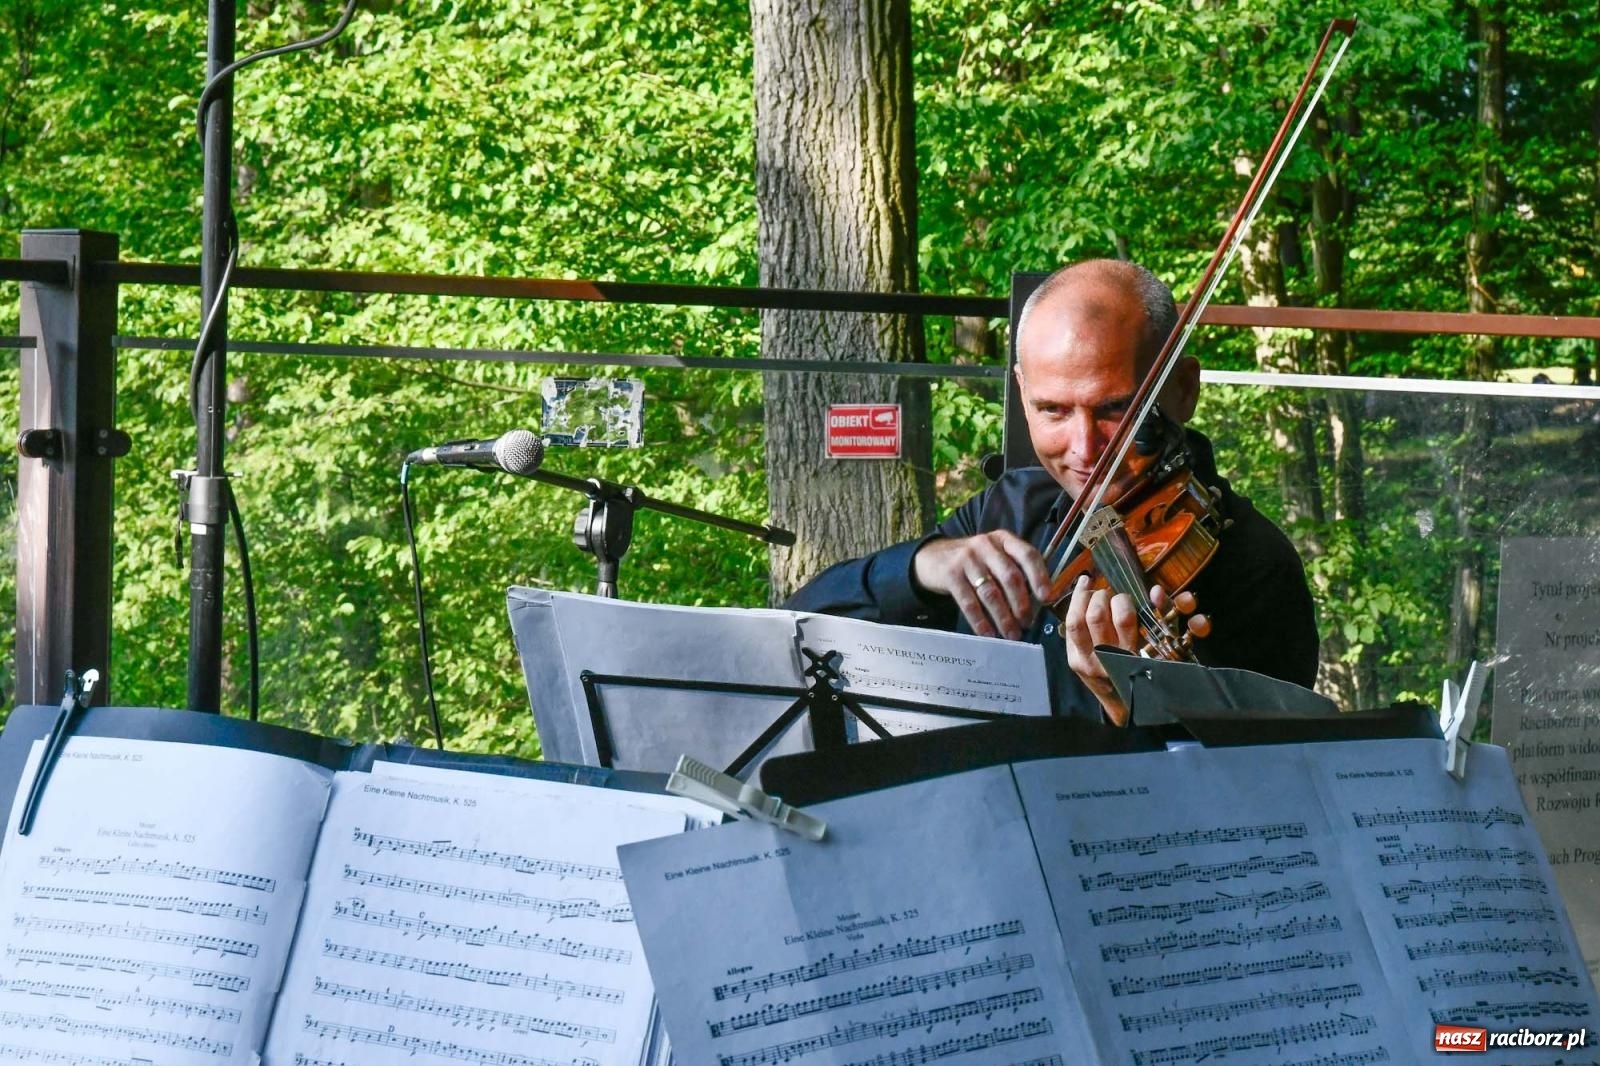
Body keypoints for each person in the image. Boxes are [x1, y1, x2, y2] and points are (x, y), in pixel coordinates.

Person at [785, 259, 1319, 723]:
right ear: (1022, 391)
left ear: (1182, 389)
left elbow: (1252, 792)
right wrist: (924, 566)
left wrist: (1125, 708)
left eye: (1116, 410)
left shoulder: (1255, 566)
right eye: (1053, 410)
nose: (1085, 450)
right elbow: (803, 622)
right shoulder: (1012, 506)